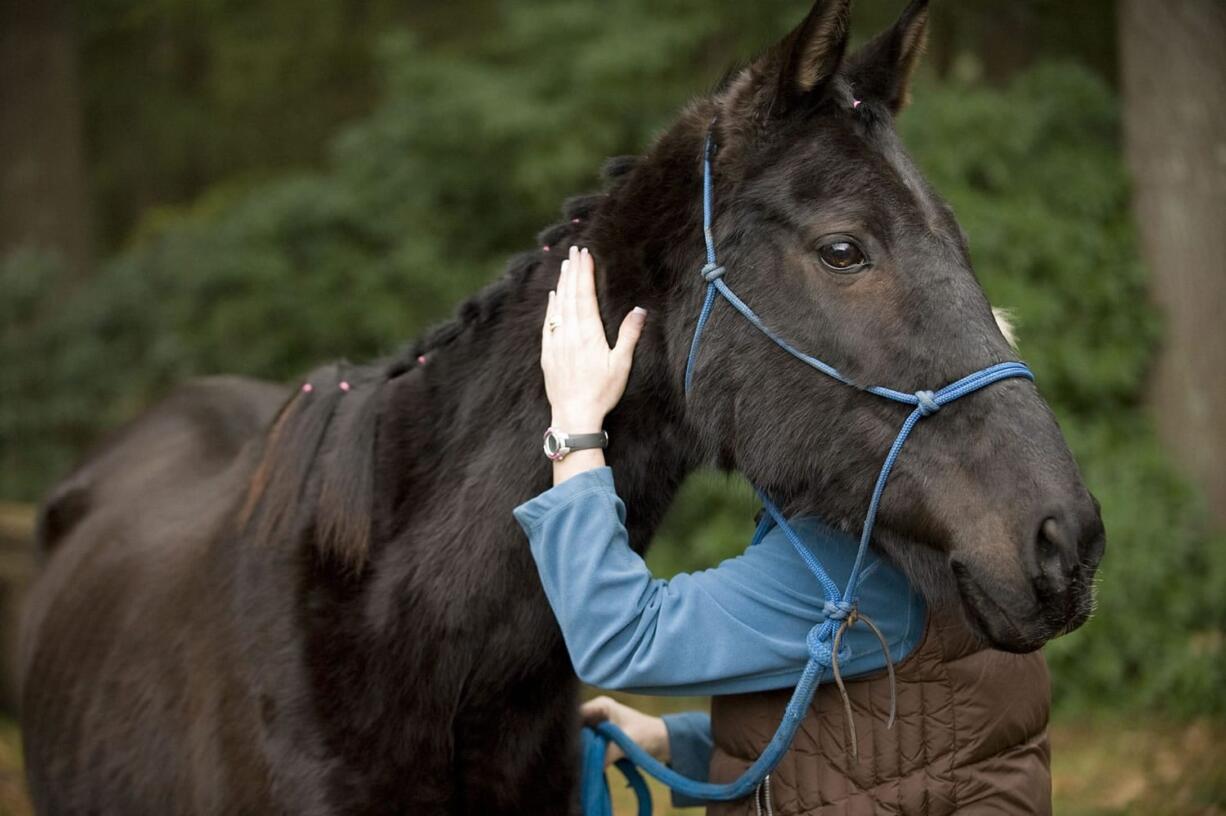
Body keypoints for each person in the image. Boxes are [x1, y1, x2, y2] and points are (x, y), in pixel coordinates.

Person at [514, 247, 1052, 815]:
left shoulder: (856, 565)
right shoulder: (993, 535)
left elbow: (621, 637)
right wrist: (680, 741)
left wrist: (574, 425)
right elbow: (906, 742)